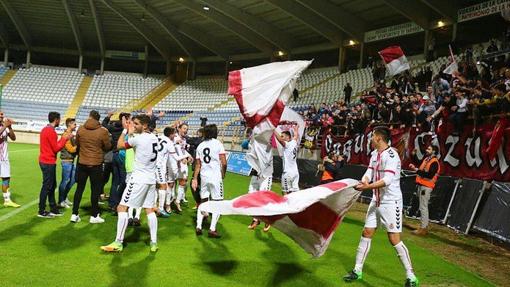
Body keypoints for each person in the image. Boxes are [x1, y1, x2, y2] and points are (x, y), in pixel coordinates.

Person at [343, 127, 419, 287]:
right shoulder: (375, 154)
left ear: (379, 138)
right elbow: (370, 171)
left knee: (394, 239)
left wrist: (366, 187)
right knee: (367, 231)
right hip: (376, 199)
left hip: (391, 202)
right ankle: (357, 270)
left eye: (372, 136)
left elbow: (387, 180)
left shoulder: (392, 156)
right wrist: (365, 179)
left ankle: (411, 276)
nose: (370, 139)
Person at [101, 114, 159, 253]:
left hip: (138, 179)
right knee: (149, 210)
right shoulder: (153, 137)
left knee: (122, 207)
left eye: (136, 124)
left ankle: (118, 242)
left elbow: (120, 145)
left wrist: (125, 130)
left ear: (144, 125)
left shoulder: (137, 139)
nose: (133, 125)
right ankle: (154, 242)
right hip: (151, 179)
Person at [71, 110, 111, 224]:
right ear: (98, 119)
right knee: (95, 190)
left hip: (82, 163)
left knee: (79, 189)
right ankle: (94, 215)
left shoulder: (81, 129)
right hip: (96, 164)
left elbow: (77, 144)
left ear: (89, 117)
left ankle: (74, 214)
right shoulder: (102, 132)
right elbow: (107, 146)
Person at [192, 124, 227, 238]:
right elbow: (224, 162)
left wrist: (195, 178)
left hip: (204, 177)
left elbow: (198, 164)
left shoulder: (200, 146)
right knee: (218, 203)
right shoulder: (218, 144)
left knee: (203, 201)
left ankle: (198, 226)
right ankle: (212, 229)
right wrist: (223, 173)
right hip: (215, 177)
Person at [38, 112, 71, 218]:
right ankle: (42, 210)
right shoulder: (50, 131)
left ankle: (53, 208)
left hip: (46, 161)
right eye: (59, 119)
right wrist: (64, 139)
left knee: (51, 186)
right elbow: (56, 148)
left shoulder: (45, 129)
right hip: (48, 162)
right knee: (47, 186)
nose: (60, 121)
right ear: (56, 120)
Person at [409, 145, 440, 236]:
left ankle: (423, 228)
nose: (427, 150)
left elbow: (430, 175)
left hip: (426, 187)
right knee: (422, 206)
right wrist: (413, 155)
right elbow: (419, 164)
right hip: (422, 185)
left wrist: (416, 170)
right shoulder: (427, 159)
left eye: (429, 149)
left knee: (423, 207)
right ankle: (423, 227)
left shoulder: (434, 162)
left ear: (434, 152)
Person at [103, 112, 130, 212]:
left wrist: (108, 117)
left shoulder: (113, 128)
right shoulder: (127, 130)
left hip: (114, 154)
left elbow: (104, 125)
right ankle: (120, 203)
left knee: (115, 181)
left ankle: (112, 203)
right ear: (125, 119)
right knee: (124, 181)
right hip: (123, 155)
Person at [247, 142, 273, 232]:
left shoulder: (268, 147)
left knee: (264, 199)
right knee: (251, 196)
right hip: (256, 174)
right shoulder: (253, 145)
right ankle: (256, 219)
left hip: (265, 176)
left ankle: (267, 219)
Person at [0, 112, 20, 208]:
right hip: (1, 158)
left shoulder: (4, 126)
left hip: (4, 158)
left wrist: (10, 127)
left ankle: (7, 200)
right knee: (5, 178)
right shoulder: (3, 126)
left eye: (2, 115)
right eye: (0, 115)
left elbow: (13, 138)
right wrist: (5, 126)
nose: (2, 116)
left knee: (6, 178)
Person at [274, 126, 300, 195]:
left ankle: (287, 205)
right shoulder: (294, 143)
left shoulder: (287, 145)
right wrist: (296, 129)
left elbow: (280, 140)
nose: (281, 137)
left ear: (288, 137)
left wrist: (273, 129)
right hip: (295, 172)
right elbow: (296, 136)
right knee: (295, 193)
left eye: (282, 136)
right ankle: (297, 205)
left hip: (288, 173)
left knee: (285, 192)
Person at [58, 118, 77, 208]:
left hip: (71, 161)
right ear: (69, 124)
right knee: (65, 181)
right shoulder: (66, 135)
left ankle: (64, 197)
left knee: (73, 180)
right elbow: (71, 149)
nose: (75, 125)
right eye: (74, 124)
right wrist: (79, 145)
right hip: (66, 161)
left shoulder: (71, 135)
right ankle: (61, 200)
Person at [174, 123, 192, 211]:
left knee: (183, 181)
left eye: (187, 129)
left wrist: (189, 156)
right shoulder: (174, 138)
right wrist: (182, 158)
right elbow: (173, 149)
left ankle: (177, 201)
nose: (186, 130)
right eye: (184, 128)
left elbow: (183, 150)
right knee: (172, 183)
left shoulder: (184, 139)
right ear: (179, 129)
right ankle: (169, 201)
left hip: (182, 163)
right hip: (174, 163)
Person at [155, 129, 172, 218]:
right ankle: (160, 209)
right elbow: (174, 155)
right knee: (163, 186)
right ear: (171, 134)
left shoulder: (159, 137)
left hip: (155, 164)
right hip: (159, 166)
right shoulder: (169, 141)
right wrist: (186, 156)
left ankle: (154, 206)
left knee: (156, 186)